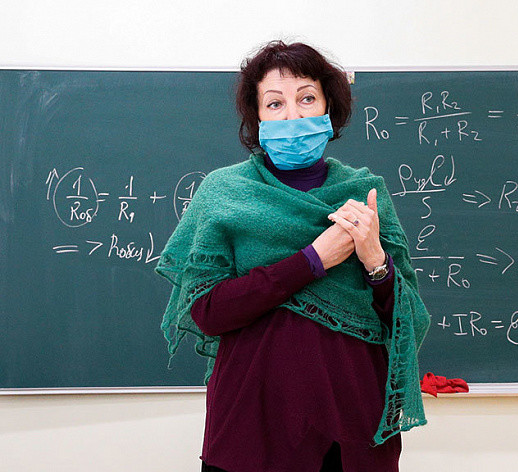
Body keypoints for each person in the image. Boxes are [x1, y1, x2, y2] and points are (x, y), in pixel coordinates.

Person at [155, 40, 430, 472]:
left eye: (306, 99)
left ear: (327, 108)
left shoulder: (366, 194)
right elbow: (207, 310)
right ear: (257, 117)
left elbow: (407, 321)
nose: (293, 116)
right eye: (275, 103)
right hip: (254, 428)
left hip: (353, 429)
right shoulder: (224, 193)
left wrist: (375, 260)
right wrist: (312, 260)